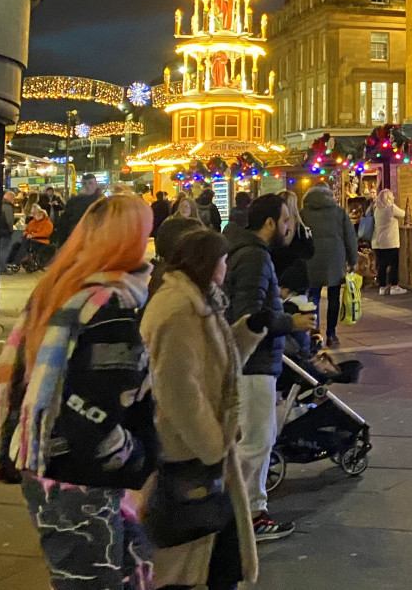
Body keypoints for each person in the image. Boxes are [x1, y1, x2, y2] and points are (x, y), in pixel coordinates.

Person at [0, 195, 157, 588]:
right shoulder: (110, 310)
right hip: (82, 476)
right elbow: (96, 413)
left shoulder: (59, 292)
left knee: (130, 571)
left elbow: (22, 380)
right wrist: (136, 458)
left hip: (47, 463)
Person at [142, 227, 267, 590]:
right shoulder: (180, 311)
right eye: (224, 260)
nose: (227, 267)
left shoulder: (201, 301)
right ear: (209, 264)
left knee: (214, 556)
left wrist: (251, 330)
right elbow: (179, 390)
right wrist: (212, 446)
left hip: (203, 452)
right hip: (188, 454)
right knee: (190, 558)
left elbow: (218, 366)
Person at [224, 193, 314, 541]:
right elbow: (249, 318)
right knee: (257, 441)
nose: (290, 226)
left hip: (254, 362)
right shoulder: (254, 258)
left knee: (256, 439)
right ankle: (249, 516)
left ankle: (246, 512)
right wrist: (292, 323)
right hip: (254, 363)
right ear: (271, 223)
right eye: (286, 219)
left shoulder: (247, 253)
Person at [302, 183, 358, 347]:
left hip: (311, 259)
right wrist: (353, 260)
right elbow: (350, 237)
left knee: (313, 297)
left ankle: (315, 330)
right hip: (335, 259)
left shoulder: (303, 213)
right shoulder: (339, 212)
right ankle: (331, 335)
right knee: (334, 298)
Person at [270, 189, 315, 280]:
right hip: (296, 276)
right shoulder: (300, 226)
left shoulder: (273, 225)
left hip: (276, 273)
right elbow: (310, 251)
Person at [371, 188, 406, 296]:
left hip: (378, 241)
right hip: (390, 241)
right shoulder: (391, 208)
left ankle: (382, 287)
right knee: (394, 264)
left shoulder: (377, 209)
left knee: (382, 265)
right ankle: (394, 286)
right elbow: (403, 214)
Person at [53, 172, 101, 247]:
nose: (87, 186)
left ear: (96, 185)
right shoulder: (74, 201)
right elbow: (64, 222)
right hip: (75, 240)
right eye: (85, 183)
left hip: (95, 241)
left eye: (90, 183)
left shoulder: (102, 202)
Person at [0, 190, 16, 271]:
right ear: (10, 198)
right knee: (4, 250)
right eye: (13, 198)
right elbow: (10, 221)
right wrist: (11, 230)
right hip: (5, 231)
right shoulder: (8, 206)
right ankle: (2, 268)